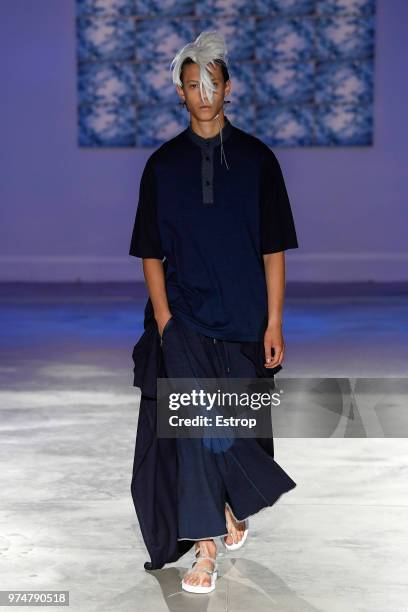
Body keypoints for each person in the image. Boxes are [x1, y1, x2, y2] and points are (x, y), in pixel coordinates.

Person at [129, 30, 299, 594]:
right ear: (180, 92)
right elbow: (151, 251)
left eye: (212, 83)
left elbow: (273, 248)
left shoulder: (257, 160)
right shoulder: (162, 165)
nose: (203, 93)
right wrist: (165, 321)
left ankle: (231, 511)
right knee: (196, 425)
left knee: (233, 427)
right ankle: (205, 547)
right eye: (192, 84)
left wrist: (273, 322)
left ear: (228, 88)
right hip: (185, 319)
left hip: (246, 319)